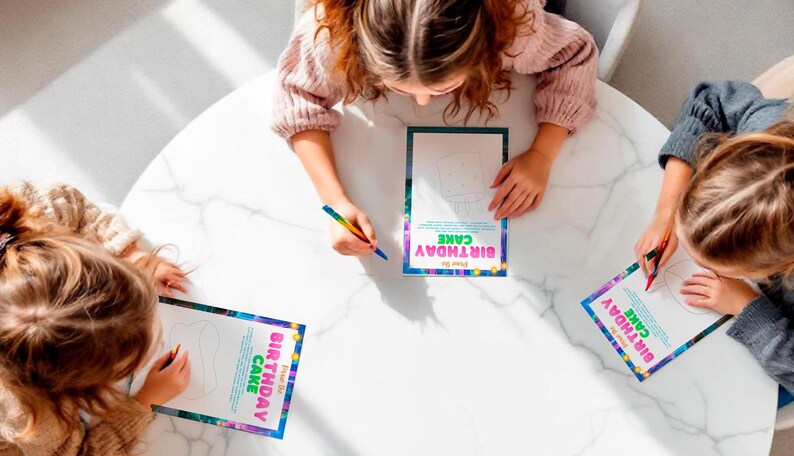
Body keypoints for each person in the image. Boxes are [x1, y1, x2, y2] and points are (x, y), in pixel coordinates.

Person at [273, 0, 597, 256]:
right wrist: (336, 203)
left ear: (484, 49)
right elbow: (296, 94)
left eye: (442, 88)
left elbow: (574, 53)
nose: (423, 102)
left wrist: (542, 153)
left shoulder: (516, 31)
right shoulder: (333, 34)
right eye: (400, 87)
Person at [0, 182, 191, 456]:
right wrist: (144, 402)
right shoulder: (33, 417)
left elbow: (72, 203)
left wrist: (136, 257)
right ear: (77, 384)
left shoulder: (31, 216)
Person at [634, 79, 794, 395]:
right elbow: (711, 99)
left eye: (719, 266)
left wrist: (748, 306)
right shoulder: (765, 133)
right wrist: (668, 210)